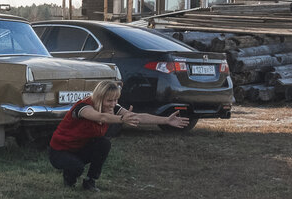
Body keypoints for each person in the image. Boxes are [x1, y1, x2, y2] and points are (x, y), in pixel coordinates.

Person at [48, 80, 189, 191]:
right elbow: (101, 117)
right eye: (109, 100)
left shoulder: (113, 107)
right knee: (76, 168)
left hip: (80, 148)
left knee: (104, 143)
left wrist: (165, 120)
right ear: (99, 97)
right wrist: (122, 119)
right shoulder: (83, 107)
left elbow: (137, 117)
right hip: (60, 151)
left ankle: (90, 181)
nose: (113, 104)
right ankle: (69, 179)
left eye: (116, 100)